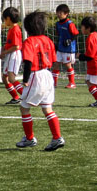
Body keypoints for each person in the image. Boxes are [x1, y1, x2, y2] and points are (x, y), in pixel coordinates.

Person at [16, 11, 65, 151]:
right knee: (47, 108)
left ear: (28, 28)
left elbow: (28, 62)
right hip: (47, 75)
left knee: (24, 107)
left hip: (35, 75)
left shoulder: (29, 41)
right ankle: (57, 137)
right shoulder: (48, 40)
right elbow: (54, 60)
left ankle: (29, 138)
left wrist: (25, 79)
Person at [0, 7, 24, 104]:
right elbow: (10, 44)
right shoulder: (11, 29)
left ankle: (26, 96)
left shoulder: (15, 30)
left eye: (4, 19)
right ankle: (16, 97)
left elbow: (16, 46)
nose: (4, 21)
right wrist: (4, 49)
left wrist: (4, 53)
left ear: (8, 18)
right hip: (10, 55)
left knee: (11, 78)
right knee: (5, 78)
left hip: (14, 55)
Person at [52, 4, 79, 88]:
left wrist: (70, 40)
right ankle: (53, 83)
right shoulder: (57, 24)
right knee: (56, 64)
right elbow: (58, 35)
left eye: (61, 13)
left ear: (66, 13)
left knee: (67, 64)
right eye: (57, 12)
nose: (59, 14)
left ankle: (72, 83)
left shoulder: (69, 24)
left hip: (68, 49)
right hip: (60, 48)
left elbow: (76, 34)